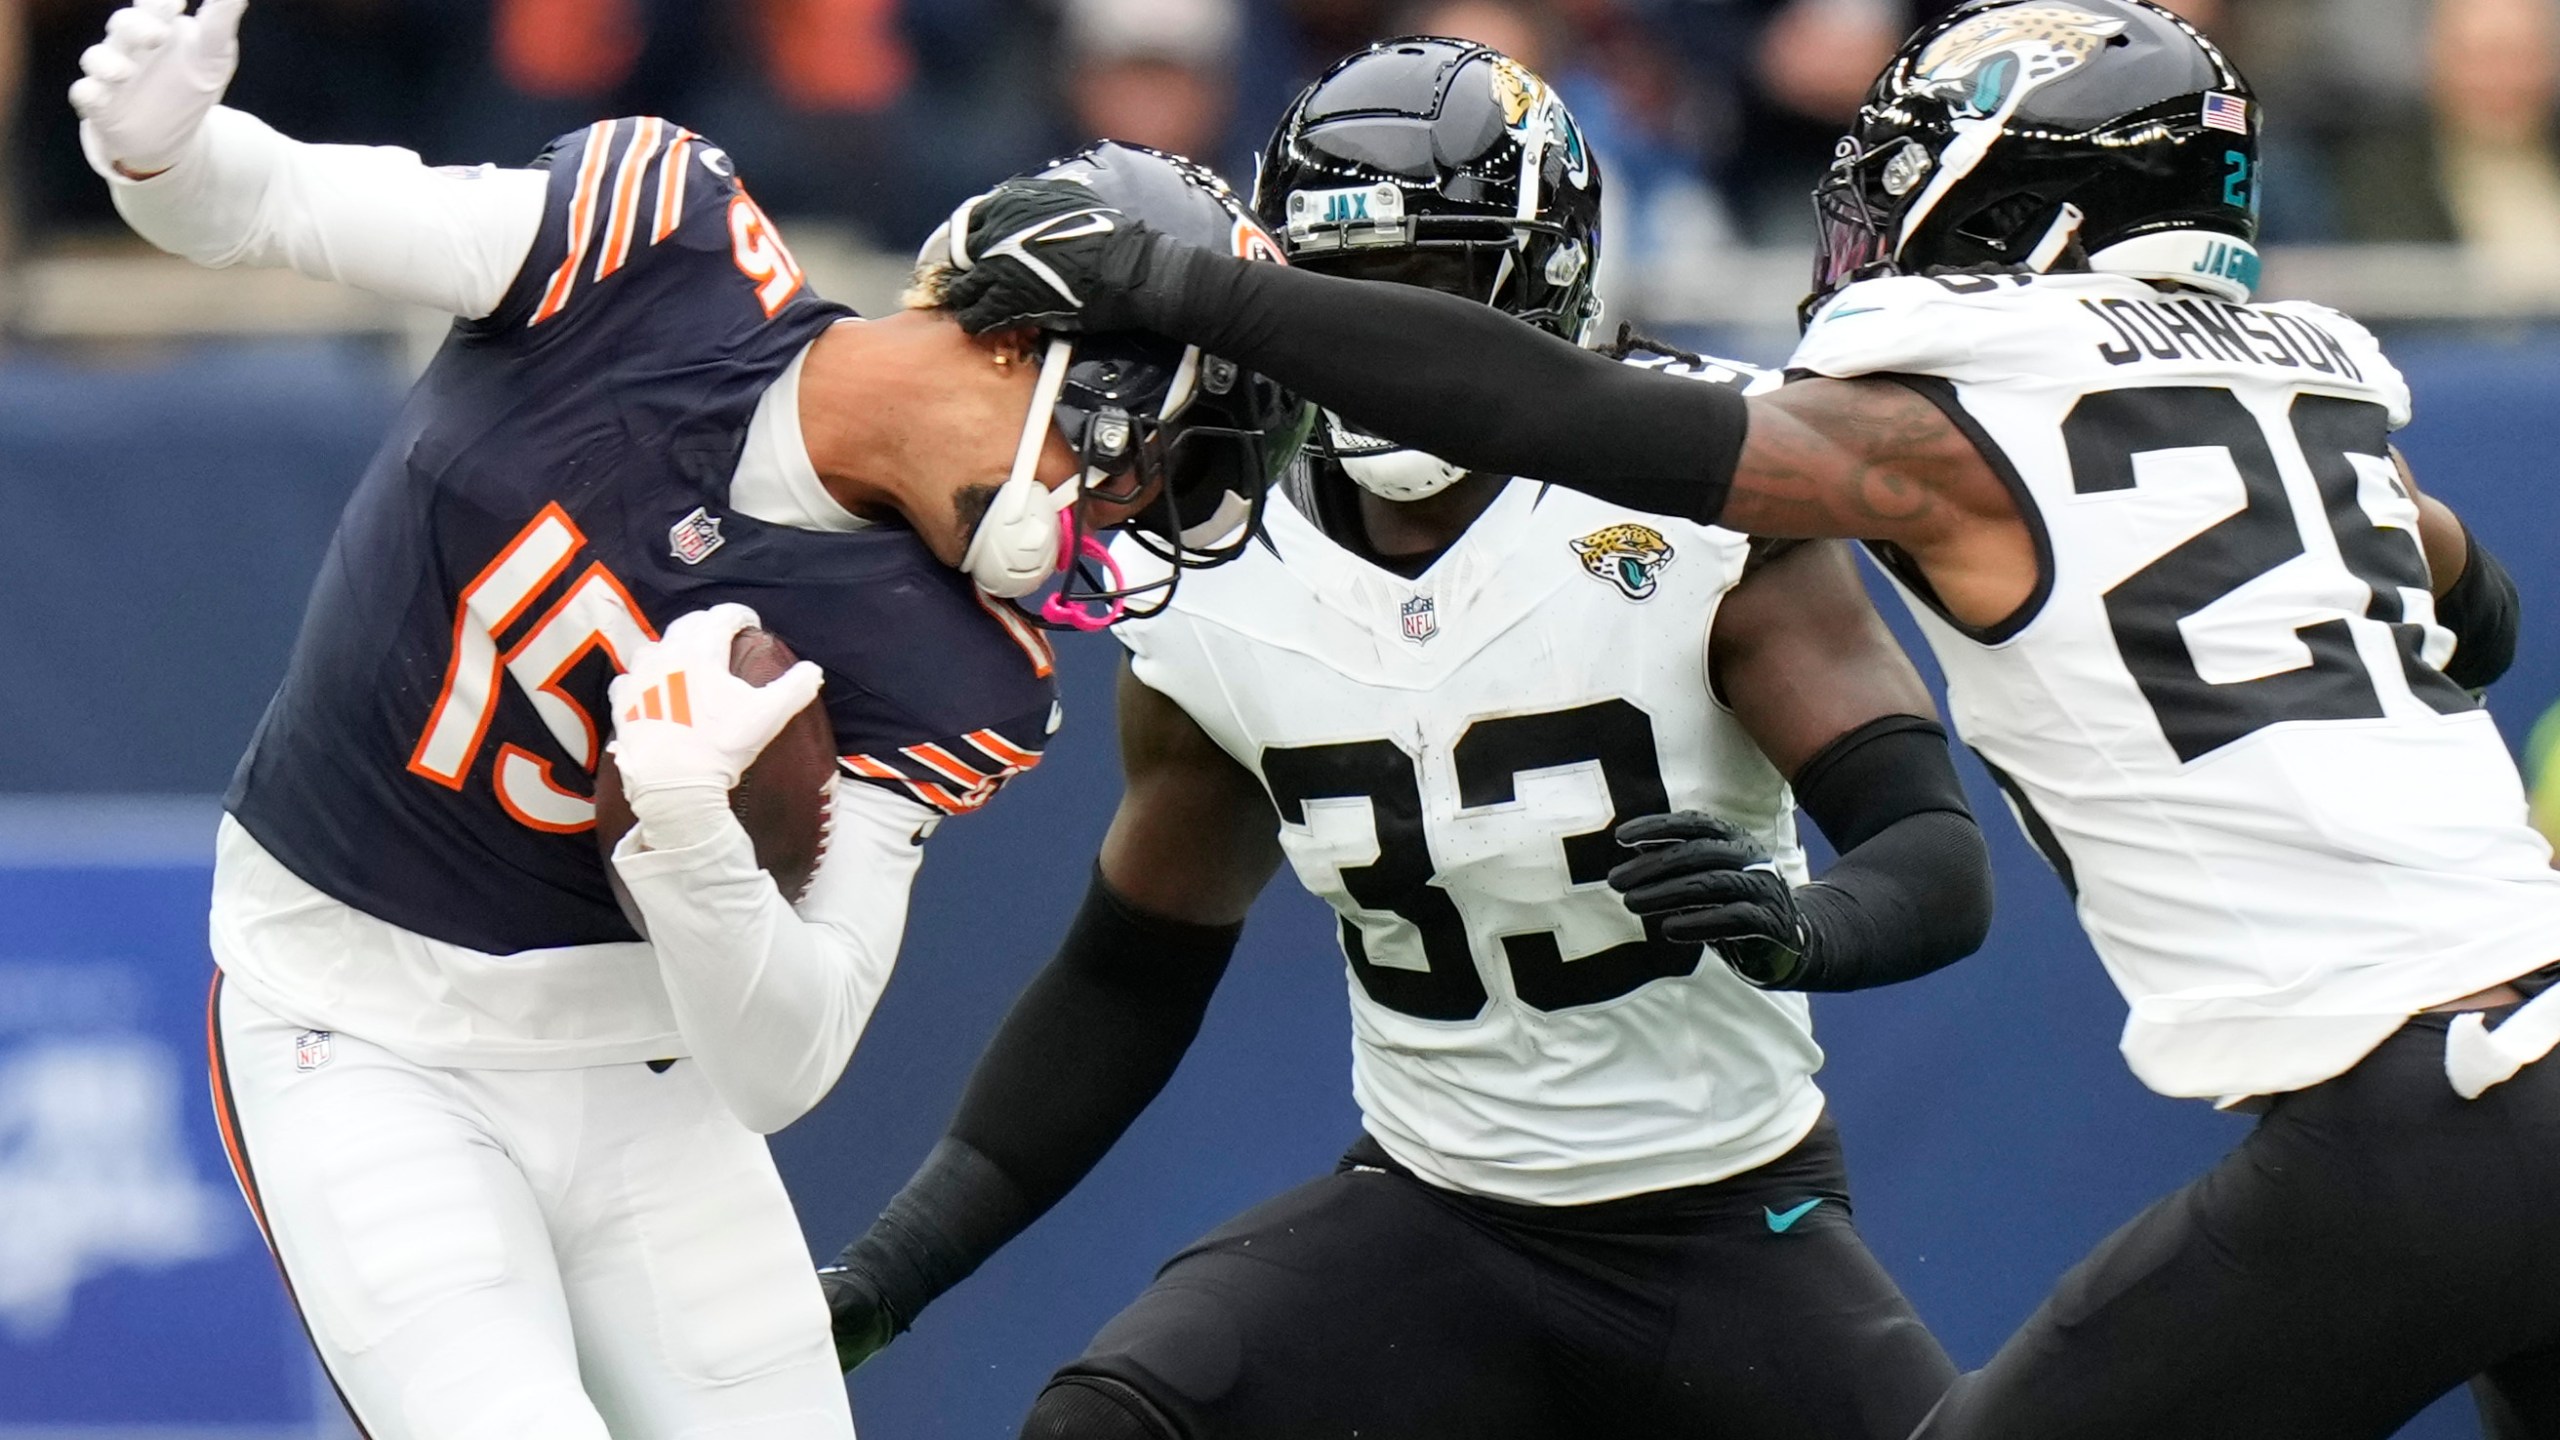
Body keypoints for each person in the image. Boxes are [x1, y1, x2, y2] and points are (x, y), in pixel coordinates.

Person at [933, 2, 2560, 1435]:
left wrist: (1175, 285)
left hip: (2429, 1105)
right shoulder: (2309, 402)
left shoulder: (1943, 430)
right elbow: (2474, 608)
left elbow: (1559, 409)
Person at [67, 3, 1299, 1435]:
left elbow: (781, 1063)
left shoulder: (963, 666)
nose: (1117, 513)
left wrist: (691, 842)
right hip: (356, 1024)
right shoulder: (652, 238)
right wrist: (169, 159)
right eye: (1142, 464)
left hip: (644, 1082)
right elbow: (278, 201)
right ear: (1036, 337)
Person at [824, 40, 1993, 1440]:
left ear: (1542, 281)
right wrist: (892, 1273)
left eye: (1423, 288)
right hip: (1433, 1210)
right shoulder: (1222, 556)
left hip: (1730, 1221)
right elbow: (1129, 978)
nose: (1374, 343)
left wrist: (1806, 923)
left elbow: (1934, 856)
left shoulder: (1695, 507)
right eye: (1335, 293)